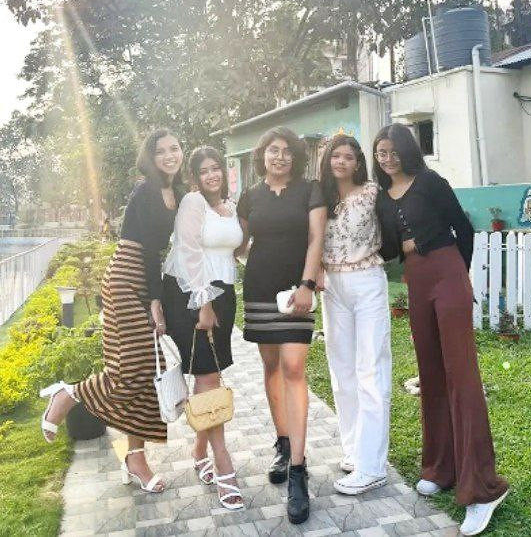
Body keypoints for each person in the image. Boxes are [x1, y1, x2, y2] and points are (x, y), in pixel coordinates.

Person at [373, 123, 508, 537]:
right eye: (381, 152)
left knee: (461, 376)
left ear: (407, 150)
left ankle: (483, 488)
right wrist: (399, 245)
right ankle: (440, 467)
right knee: (430, 374)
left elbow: (463, 229)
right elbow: (390, 248)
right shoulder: (382, 195)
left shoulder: (430, 182)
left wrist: (457, 275)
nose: (388, 158)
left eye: (394, 151)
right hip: (416, 281)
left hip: (447, 273)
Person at [40, 129, 185, 493]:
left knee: (147, 373)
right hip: (125, 277)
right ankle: (68, 395)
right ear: (150, 157)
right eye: (161, 151)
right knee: (128, 371)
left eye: (174, 148)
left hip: (148, 280)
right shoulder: (145, 190)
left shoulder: (179, 193)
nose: (169, 155)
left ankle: (136, 459)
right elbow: (147, 249)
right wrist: (155, 301)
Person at [237, 127, 327, 525]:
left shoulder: (310, 190)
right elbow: (239, 243)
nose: (280, 156)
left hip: (295, 291)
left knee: (293, 367)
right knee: (272, 366)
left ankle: (298, 471)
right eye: (273, 150)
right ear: (262, 155)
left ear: (296, 156)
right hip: (258, 290)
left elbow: (316, 238)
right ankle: (284, 443)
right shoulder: (249, 196)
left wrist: (307, 284)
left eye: (287, 150)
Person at [163, 146, 244, 511]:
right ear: (195, 177)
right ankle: (222, 462)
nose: (212, 175)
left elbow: (236, 250)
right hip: (193, 295)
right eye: (204, 170)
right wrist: (204, 303)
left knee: (209, 374)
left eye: (216, 168)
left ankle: (199, 451)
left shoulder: (229, 206)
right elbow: (189, 251)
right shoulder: (193, 203)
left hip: (224, 294)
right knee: (208, 376)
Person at [318, 134, 391, 495]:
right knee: (342, 372)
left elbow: (393, 229)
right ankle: (354, 451)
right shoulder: (320, 196)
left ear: (358, 162)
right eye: (336, 155)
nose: (342, 162)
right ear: (327, 159)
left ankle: (372, 466)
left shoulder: (373, 192)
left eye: (349, 157)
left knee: (371, 370)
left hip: (367, 280)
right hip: (332, 286)